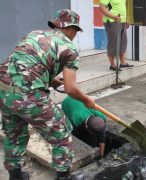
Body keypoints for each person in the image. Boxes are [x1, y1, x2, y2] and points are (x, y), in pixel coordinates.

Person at [0, 9, 93, 179]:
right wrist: (86, 100)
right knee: (62, 134)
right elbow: (71, 89)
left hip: (3, 91)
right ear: (70, 28)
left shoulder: (34, 34)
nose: (75, 35)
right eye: (76, 31)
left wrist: (51, 81)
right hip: (28, 96)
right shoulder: (69, 48)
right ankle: (63, 177)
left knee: (14, 134)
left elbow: (26, 66)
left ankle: (15, 176)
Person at [99, 0, 134, 71]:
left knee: (123, 42)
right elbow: (102, 7)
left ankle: (123, 63)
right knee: (113, 43)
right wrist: (113, 17)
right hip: (112, 21)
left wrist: (126, 19)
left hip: (121, 21)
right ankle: (112, 65)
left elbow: (122, 7)